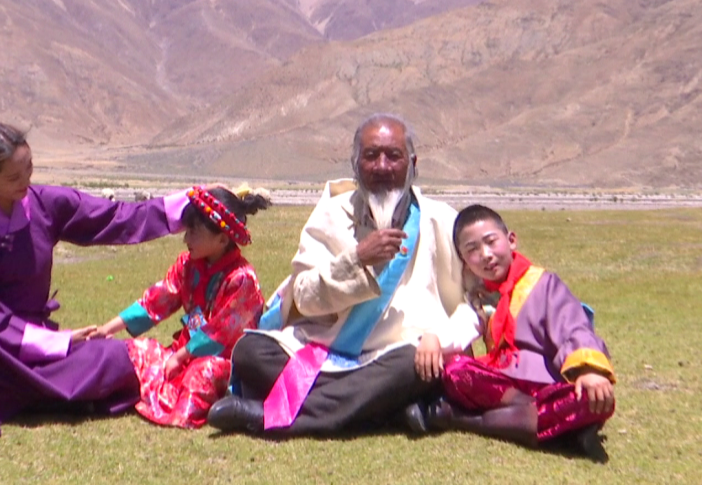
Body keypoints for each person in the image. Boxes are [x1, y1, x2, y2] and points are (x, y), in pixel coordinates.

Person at [0, 120, 195, 445]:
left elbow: (116, 217)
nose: (26, 181)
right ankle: (47, 395)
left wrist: (191, 202)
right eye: (13, 177)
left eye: (29, 168)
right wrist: (59, 342)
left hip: (39, 345)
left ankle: (30, 394)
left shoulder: (46, 203)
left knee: (118, 357)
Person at [207, 113, 481, 435]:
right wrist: (357, 260)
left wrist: (440, 339)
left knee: (416, 364)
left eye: (393, 156)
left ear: (412, 164)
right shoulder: (330, 215)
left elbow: (475, 304)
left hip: (397, 354)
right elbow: (304, 297)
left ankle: (270, 418)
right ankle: (386, 407)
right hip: (328, 351)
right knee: (250, 351)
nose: (382, 166)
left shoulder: (441, 221)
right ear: (355, 163)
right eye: (371, 155)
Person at [405, 204, 616, 460]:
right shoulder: (480, 298)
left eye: (491, 242)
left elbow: (573, 327)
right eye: (472, 250)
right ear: (464, 261)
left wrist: (589, 371)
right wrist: (434, 338)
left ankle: (459, 418)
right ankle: (552, 425)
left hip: (550, 384)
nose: (485, 255)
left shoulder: (544, 284)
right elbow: (463, 325)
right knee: (456, 370)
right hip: (506, 388)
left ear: (511, 240)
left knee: (592, 400)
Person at [89, 186, 271, 428]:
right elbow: (156, 300)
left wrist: (181, 356)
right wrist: (107, 329)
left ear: (222, 239)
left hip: (224, 362)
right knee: (138, 351)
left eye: (194, 232)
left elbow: (220, 334)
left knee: (201, 373)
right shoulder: (188, 265)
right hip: (183, 351)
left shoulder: (242, 279)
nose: (186, 239)